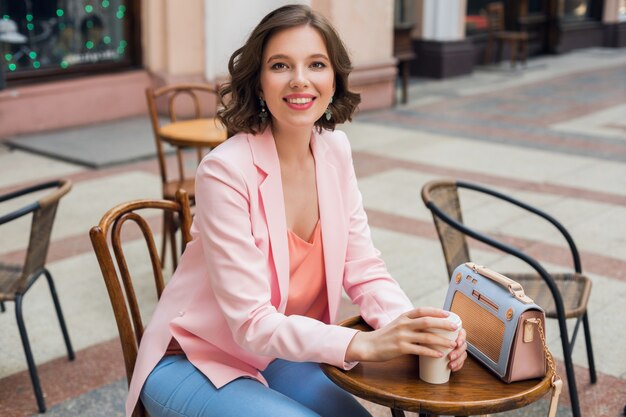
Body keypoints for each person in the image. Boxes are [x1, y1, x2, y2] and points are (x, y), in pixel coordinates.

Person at [128, 5, 467, 417]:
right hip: (194, 358)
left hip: (273, 354)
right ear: (258, 82)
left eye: (316, 64)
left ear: (334, 78)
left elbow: (364, 268)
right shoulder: (224, 171)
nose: (300, 79)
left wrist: (412, 330)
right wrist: (364, 344)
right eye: (280, 65)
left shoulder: (335, 150)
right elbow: (251, 321)